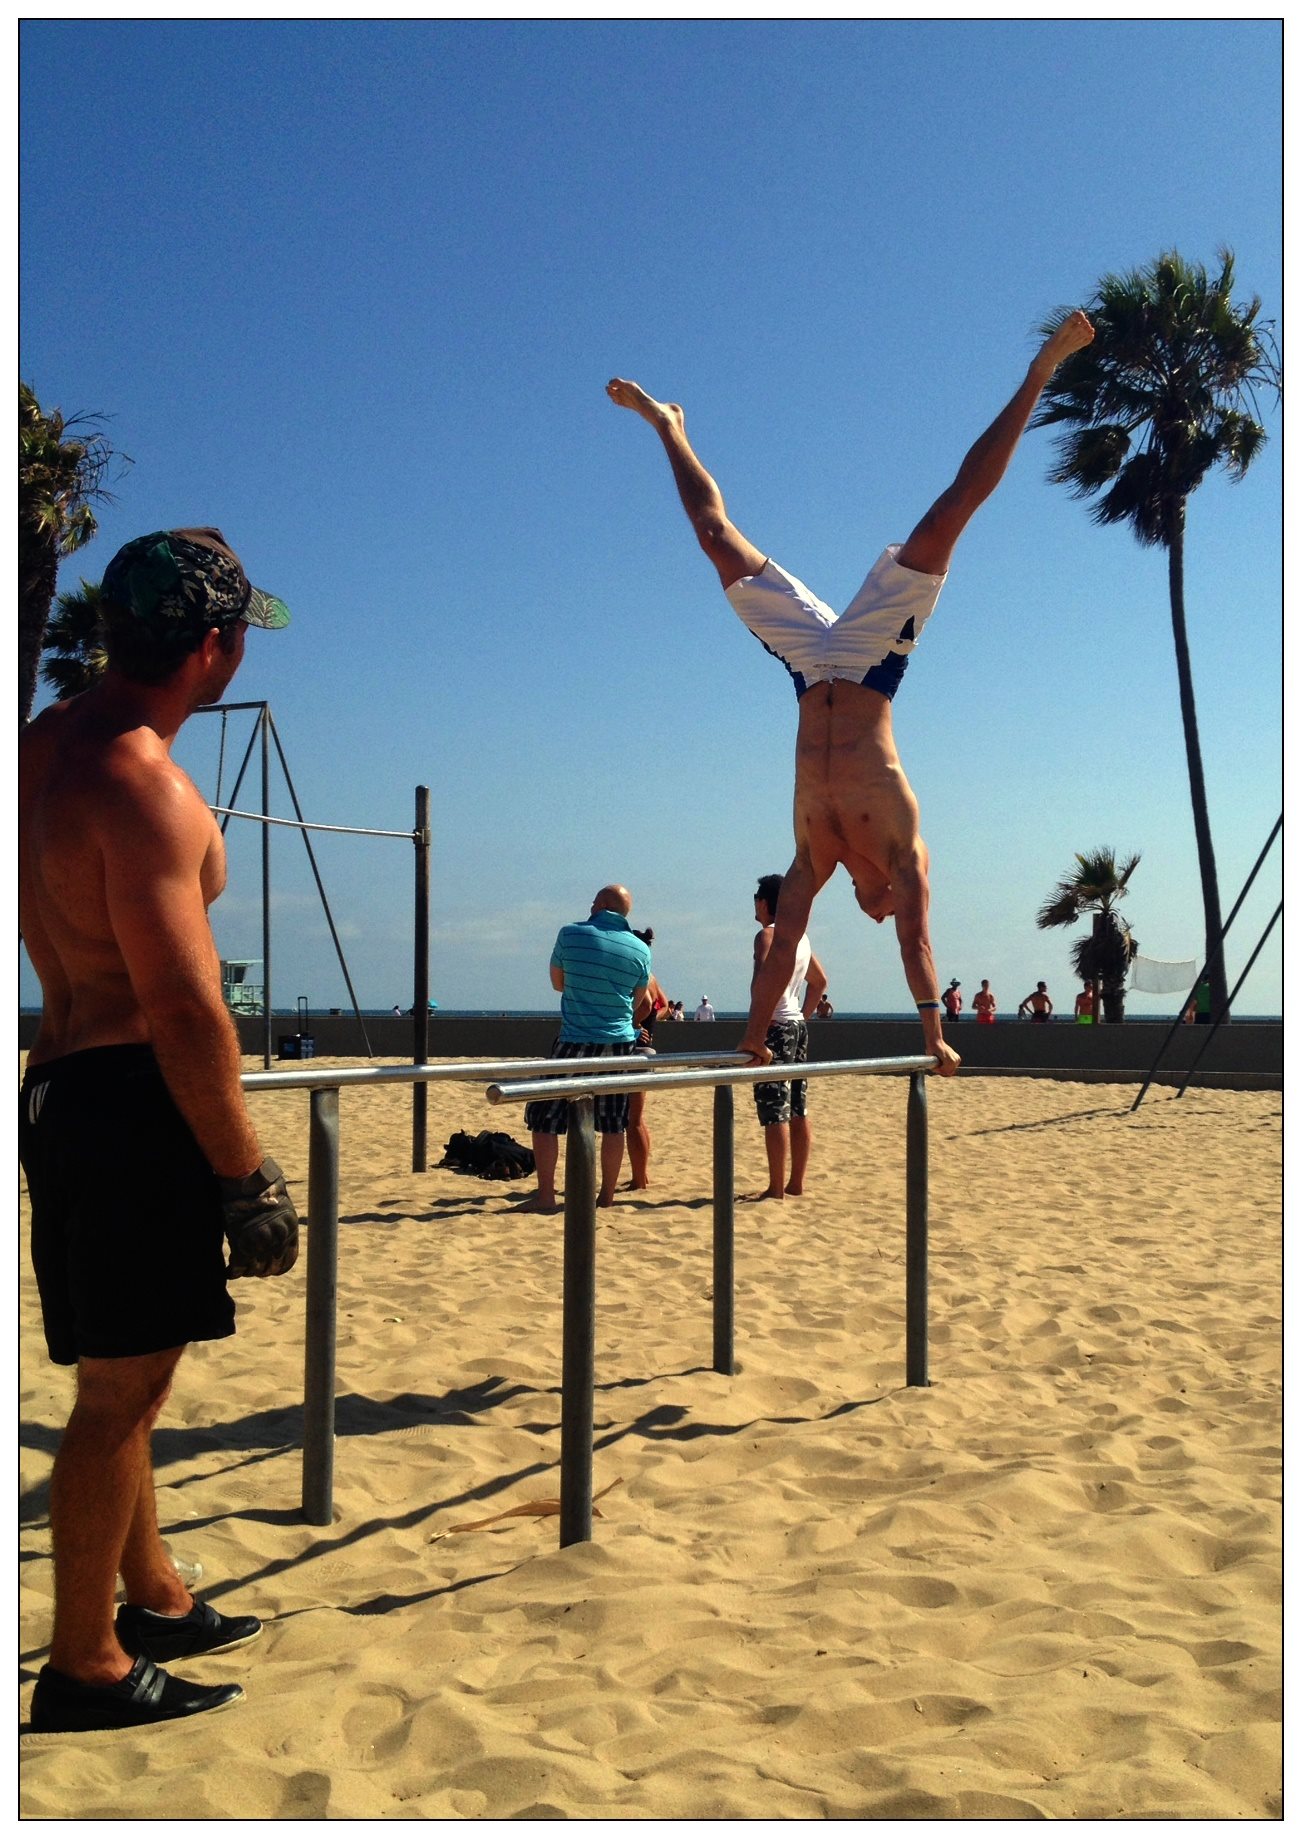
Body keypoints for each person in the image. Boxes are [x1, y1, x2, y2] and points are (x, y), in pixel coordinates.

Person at [607, 309, 1095, 1077]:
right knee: (951, 512)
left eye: (872, 906)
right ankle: (1040, 374)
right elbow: (919, 942)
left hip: (807, 660)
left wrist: (753, 1032)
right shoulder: (906, 853)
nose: (877, 908)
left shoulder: (814, 856)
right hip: (870, 658)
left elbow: (781, 945)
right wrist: (933, 1030)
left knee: (712, 538)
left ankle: (668, 427)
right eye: (883, 907)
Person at [18, 528, 300, 1734]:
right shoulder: (146, 784)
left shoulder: (44, 746)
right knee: (119, 1401)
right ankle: (82, 1663)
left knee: (120, 1375)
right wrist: (244, 1176)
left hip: (60, 1089)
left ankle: (152, 1595)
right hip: (137, 1104)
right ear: (216, 648)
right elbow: (187, 1009)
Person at [516, 885, 652, 1213]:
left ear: (602, 904)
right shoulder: (640, 949)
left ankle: (547, 1195)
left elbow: (557, 983)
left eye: (594, 900)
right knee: (612, 1122)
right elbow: (638, 1001)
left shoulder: (571, 933)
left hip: (575, 1038)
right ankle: (606, 1196)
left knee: (545, 1116)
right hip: (620, 1042)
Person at [748, 874, 827, 1201]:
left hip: (775, 1024)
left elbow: (763, 984)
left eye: (756, 896)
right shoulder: (801, 939)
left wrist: (758, 1029)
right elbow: (820, 982)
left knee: (774, 1108)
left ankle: (776, 1187)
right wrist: (802, 1017)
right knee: (797, 1105)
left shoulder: (767, 936)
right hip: (795, 1025)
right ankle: (795, 1183)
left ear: (765, 902)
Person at [626, 927, 668, 1190]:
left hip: (636, 1050)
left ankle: (639, 1179)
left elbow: (649, 1003)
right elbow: (663, 1006)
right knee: (636, 1119)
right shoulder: (651, 975)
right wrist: (650, 1023)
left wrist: (635, 1026)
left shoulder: (637, 975)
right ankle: (641, 1175)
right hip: (647, 1048)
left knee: (631, 1121)